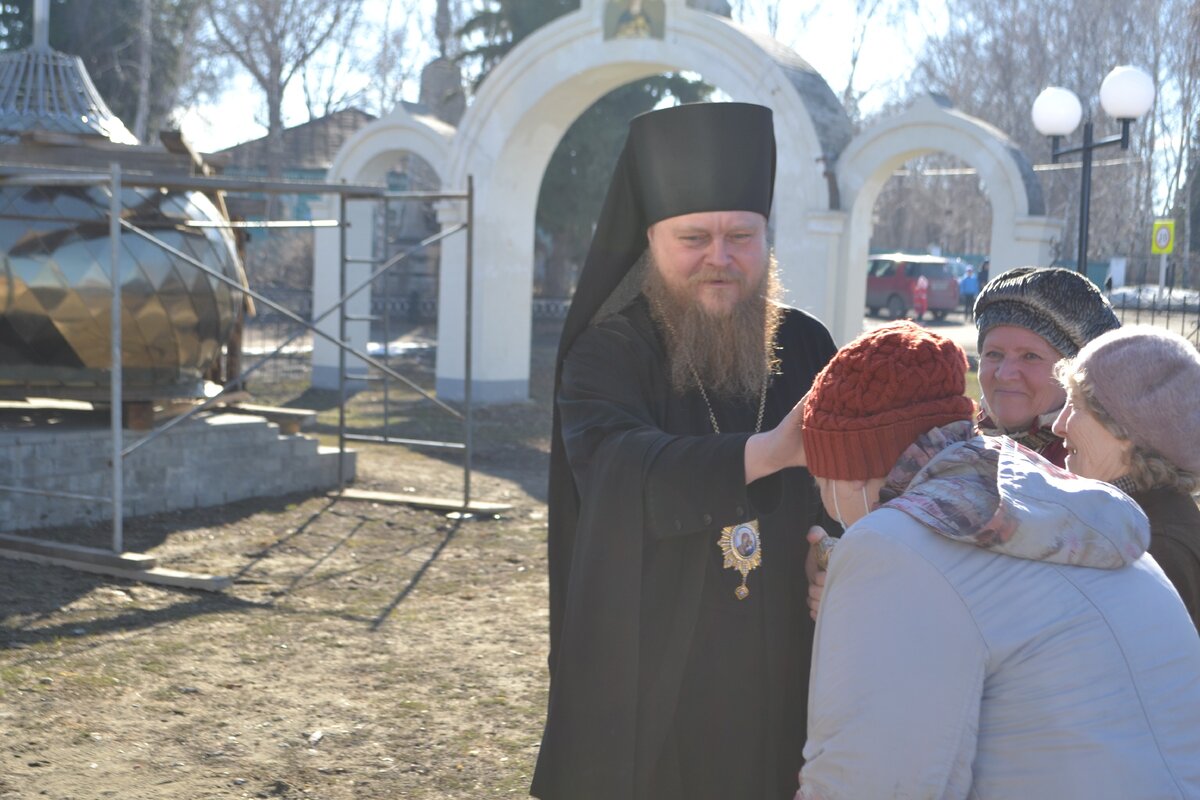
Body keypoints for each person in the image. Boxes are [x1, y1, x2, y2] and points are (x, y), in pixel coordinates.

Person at [532, 102, 837, 800]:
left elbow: (862, 490)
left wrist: (838, 550)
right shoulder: (609, 352)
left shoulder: (810, 346)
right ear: (651, 239)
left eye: (741, 236)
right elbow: (614, 468)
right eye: (693, 237)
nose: (719, 258)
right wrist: (768, 451)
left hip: (793, 676)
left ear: (767, 238)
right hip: (659, 686)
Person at [797, 321, 1200, 799]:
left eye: (819, 476)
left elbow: (868, 779)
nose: (826, 500)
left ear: (851, 471)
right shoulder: (1063, 505)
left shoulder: (891, 544)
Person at [1054, 325, 1200, 633]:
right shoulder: (1134, 523)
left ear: (1131, 431)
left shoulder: (1155, 549)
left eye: (1077, 406)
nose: (1058, 425)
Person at [973, 266, 1119, 465]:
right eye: (994, 354)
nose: (1005, 374)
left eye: (1030, 356)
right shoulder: (958, 451)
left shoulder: (1094, 470)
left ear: (1078, 374)